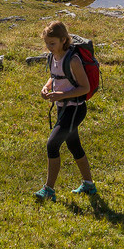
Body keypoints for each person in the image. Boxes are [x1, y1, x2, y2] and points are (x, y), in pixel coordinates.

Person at [35, 20, 96, 200]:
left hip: (75, 109)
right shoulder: (53, 57)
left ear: (63, 40)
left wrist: (61, 95)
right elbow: (54, 76)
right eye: (46, 43)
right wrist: (46, 87)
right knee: (74, 145)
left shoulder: (74, 60)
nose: (49, 47)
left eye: (52, 43)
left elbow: (84, 88)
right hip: (63, 109)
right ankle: (89, 185)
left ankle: (48, 190)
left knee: (52, 144)